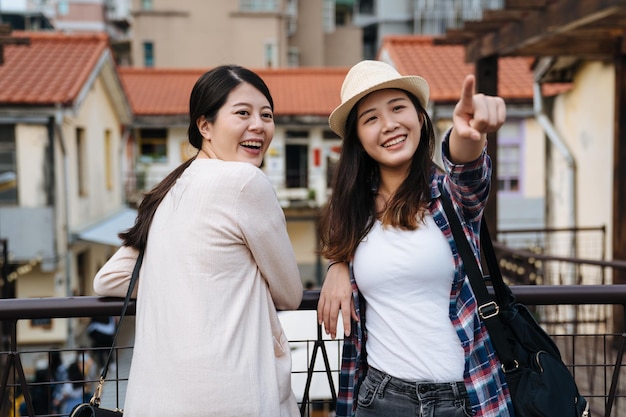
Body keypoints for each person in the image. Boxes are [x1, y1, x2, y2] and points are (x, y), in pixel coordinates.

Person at [93, 65, 303, 417]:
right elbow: (290, 293)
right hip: (232, 394)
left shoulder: (171, 188)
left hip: (158, 396)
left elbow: (109, 279)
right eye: (242, 113)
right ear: (205, 126)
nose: (259, 125)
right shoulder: (245, 182)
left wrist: (193, 281)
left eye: (266, 115)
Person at [316, 60, 512, 417]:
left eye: (397, 108)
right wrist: (337, 265)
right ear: (358, 138)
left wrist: (469, 135)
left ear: (420, 117)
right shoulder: (352, 212)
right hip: (381, 398)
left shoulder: (451, 197)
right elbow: (338, 241)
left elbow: (468, 171)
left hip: (465, 400)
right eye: (370, 118)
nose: (389, 125)